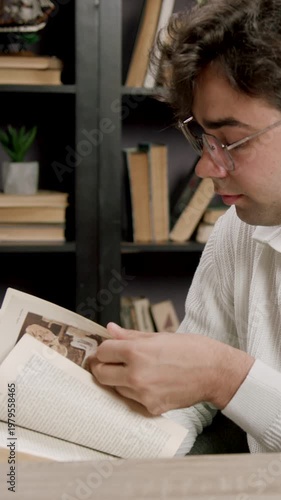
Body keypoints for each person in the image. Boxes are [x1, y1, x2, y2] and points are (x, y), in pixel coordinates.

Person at [90, 0, 281, 455]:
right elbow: (190, 405)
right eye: (202, 139)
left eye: (231, 140)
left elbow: (215, 378)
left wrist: (224, 375)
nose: (204, 168)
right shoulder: (236, 230)